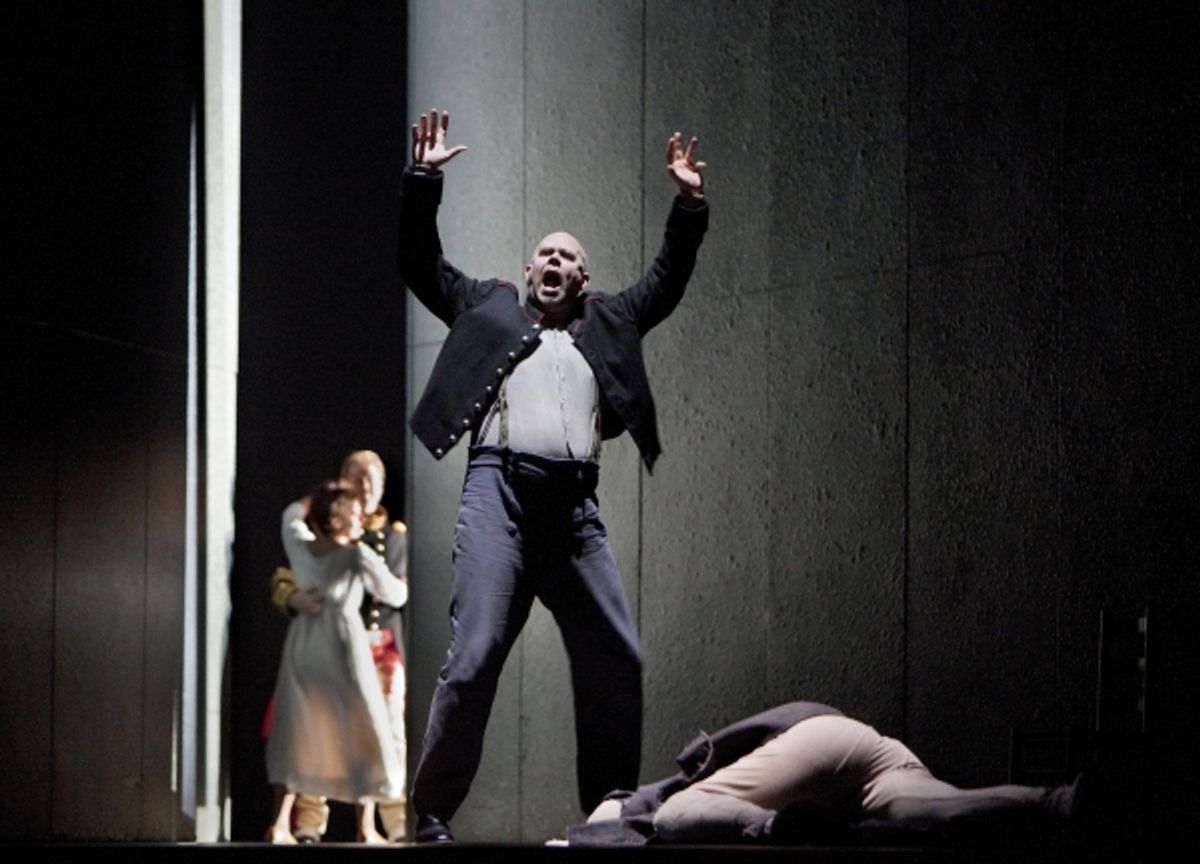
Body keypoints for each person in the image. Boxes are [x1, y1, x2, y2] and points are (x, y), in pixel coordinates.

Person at [399, 108, 709, 844]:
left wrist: (689, 204)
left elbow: (667, 278)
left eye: (566, 257)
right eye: (543, 254)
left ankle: (609, 810)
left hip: (573, 512)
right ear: (528, 265)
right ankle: (431, 813)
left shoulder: (609, 319)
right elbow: (420, 260)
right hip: (497, 495)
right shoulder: (489, 305)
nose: (552, 263)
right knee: (472, 658)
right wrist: (422, 181)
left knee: (617, 654)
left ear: (583, 276)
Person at [566, 701, 1082, 846]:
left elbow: (617, 819)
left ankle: (776, 829)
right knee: (932, 809)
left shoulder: (633, 809)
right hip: (858, 748)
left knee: (675, 814)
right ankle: (1058, 802)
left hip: (811, 752)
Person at [267, 450, 410, 843]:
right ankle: (322, 823)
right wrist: (292, 597)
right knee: (358, 728)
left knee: (306, 727)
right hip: (345, 646)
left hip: (315, 645)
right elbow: (394, 592)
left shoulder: (306, 541)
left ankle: (386, 822)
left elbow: (289, 521)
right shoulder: (354, 552)